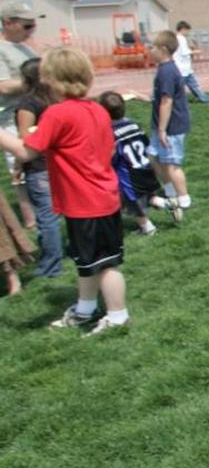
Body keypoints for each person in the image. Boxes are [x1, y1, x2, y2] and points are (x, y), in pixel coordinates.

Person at [0, 47, 130, 334]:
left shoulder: (57, 113)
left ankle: (118, 316)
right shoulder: (97, 108)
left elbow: (26, 151)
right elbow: (107, 149)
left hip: (86, 202)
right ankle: (85, 310)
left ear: (50, 79)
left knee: (106, 264)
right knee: (88, 261)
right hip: (101, 196)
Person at [14, 58, 64, 276]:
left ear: (26, 79)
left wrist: (18, 164)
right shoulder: (58, 98)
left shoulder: (28, 104)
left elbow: (26, 138)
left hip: (40, 166)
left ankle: (51, 266)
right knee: (65, 212)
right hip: (60, 162)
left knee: (47, 217)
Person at [0, 3, 41, 231]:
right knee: (20, 166)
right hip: (11, 118)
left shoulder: (24, 48)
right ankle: (30, 220)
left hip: (33, 113)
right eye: (27, 25)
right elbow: (4, 86)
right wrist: (38, 80)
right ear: (8, 23)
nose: (32, 29)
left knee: (38, 163)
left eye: (34, 24)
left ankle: (45, 210)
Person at [97, 91, 162, 236]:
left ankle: (147, 227)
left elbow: (113, 155)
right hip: (145, 166)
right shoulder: (133, 124)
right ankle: (168, 203)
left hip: (129, 173)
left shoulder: (110, 132)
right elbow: (146, 143)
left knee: (133, 202)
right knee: (148, 196)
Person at [147, 31, 192, 217]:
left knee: (171, 164)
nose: (149, 51)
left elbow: (167, 101)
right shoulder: (164, 68)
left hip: (171, 127)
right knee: (152, 156)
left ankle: (184, 199)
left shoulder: (167, 71)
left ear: (163, 50)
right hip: (162, 125)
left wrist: (162, 130)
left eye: (152, 47)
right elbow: (160, 98)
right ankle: (169, 191)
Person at [174, 21, 209, 103]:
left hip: (185, 68)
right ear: (183, 29)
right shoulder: (181, 39)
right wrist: (196, 52)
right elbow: (184, 52)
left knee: (193, 85)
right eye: (187, 30)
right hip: (182, 68)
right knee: (181, 87)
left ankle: (204, 99)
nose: (188, 32)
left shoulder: (177, 38)